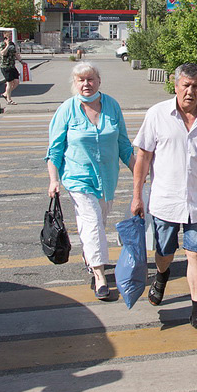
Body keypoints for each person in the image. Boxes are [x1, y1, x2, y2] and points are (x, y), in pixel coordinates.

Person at [131, 63, 197, 338]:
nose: (190, 91)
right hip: (164, 202)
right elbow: (143, 157)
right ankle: (161, 276)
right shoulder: (157, 115)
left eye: (196, 86)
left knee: (196, 255)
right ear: (175, 87)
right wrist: (137, 196)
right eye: (185, 85)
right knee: (164, 253)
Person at [45, 61, 135, 301]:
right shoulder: (67, 109)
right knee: (93, 223)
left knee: (98, 223)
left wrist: (140, 172)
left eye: (90, 79)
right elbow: (54, 150)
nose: (86, 84)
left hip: (107, 179)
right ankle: (100, 277)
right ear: (75, 84)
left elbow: (123, 145)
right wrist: (53, 180)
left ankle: (90, 256)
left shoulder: (112, 106)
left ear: (99, 81)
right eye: (81, 80)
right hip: (78, 178)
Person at [0, 32, 25, 105]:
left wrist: (21, 61)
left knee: (16, 82)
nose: (9, 37)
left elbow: (15, 53)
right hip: (5, 66)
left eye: (10, 36)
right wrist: (7, 45)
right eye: (8, 36)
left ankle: (5, 94)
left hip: (12, 66)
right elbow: (3, 53)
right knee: (9, 83)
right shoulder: (2, 44)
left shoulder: (12, 44)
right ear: (4, 36)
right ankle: (9, 100)